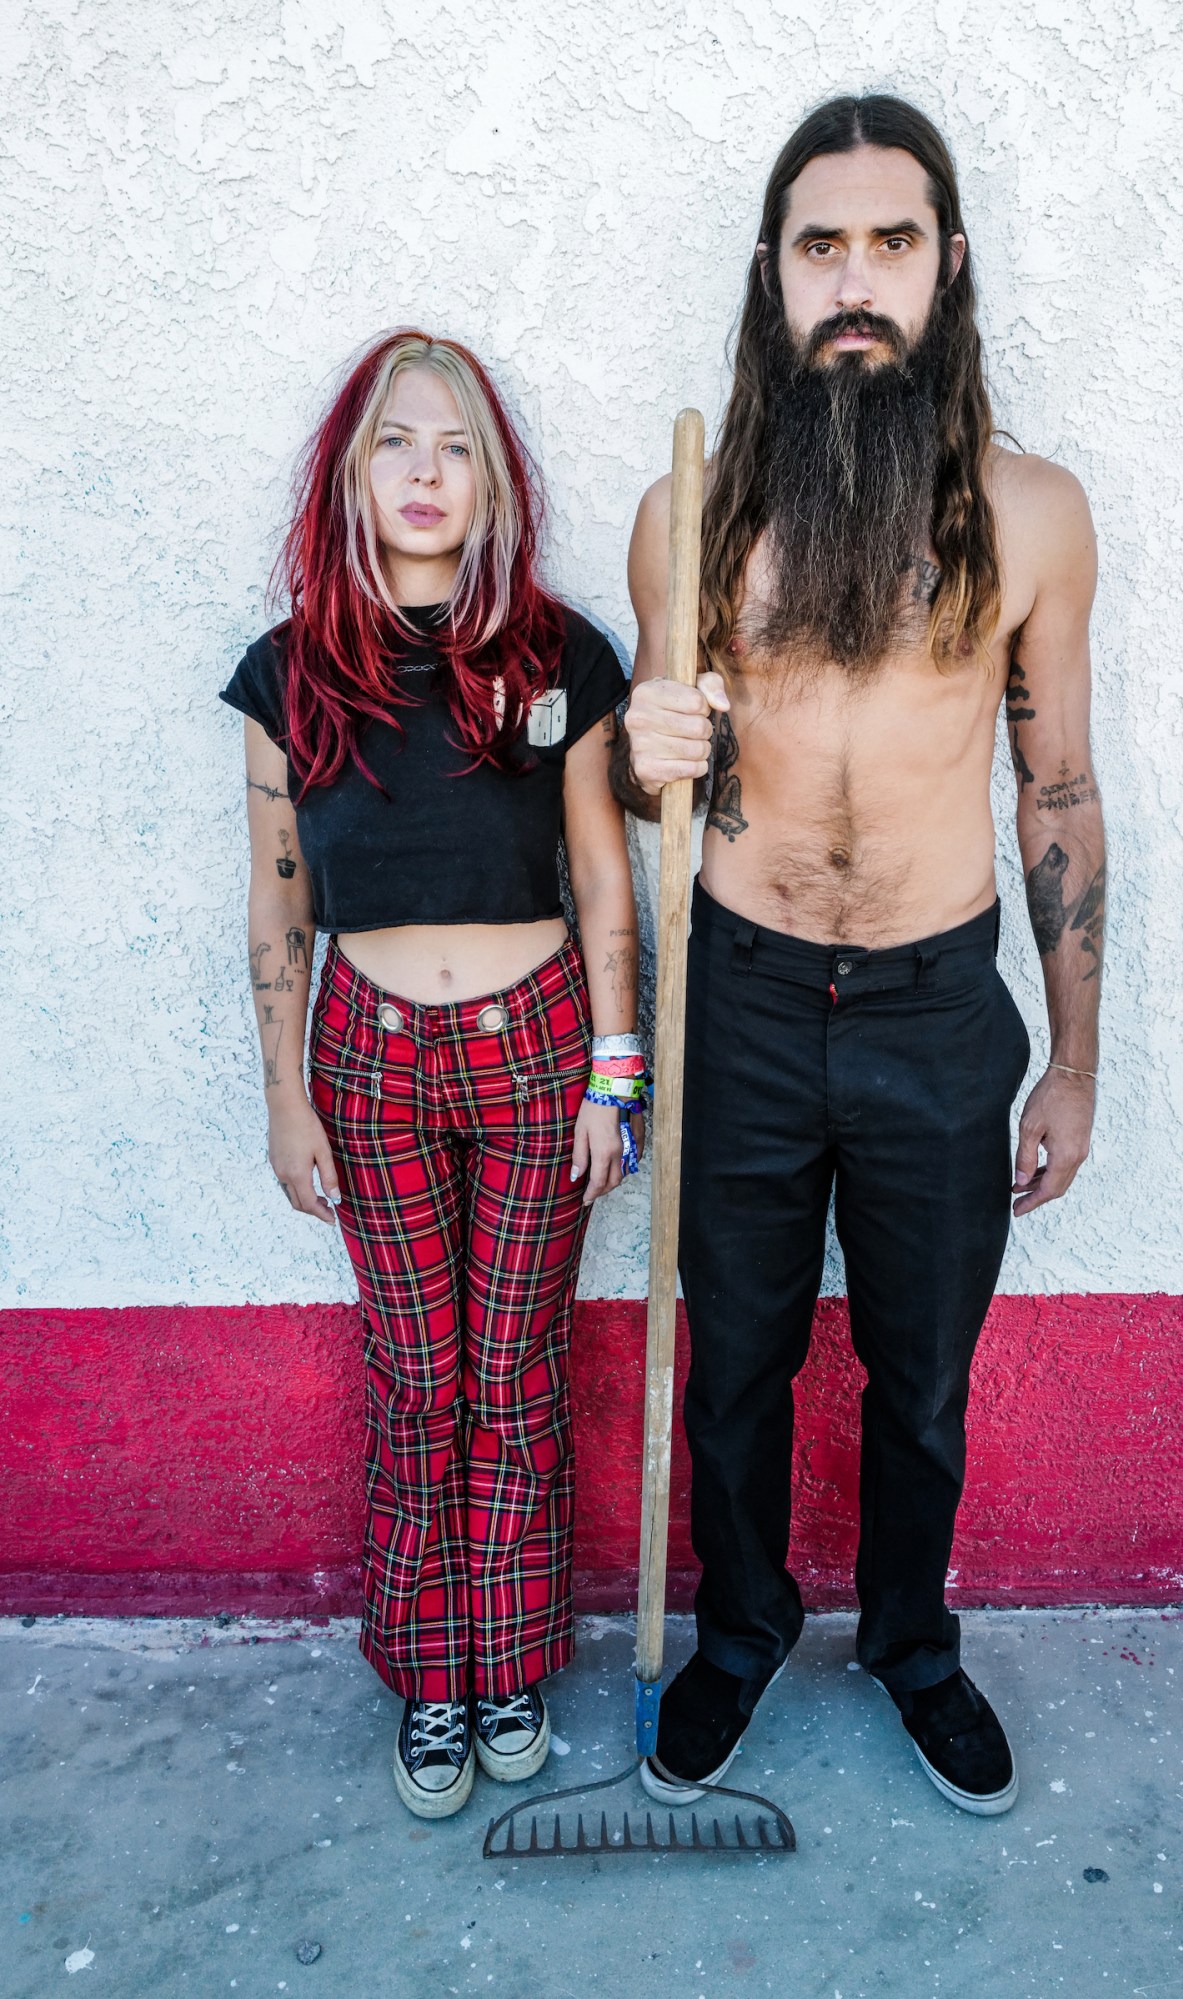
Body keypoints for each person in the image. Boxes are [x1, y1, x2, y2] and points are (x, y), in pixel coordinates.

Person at [613, 95, 1105, 1817]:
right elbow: (640, 782)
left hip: (932, 1009)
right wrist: (636, 744)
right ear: (772, 275)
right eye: (820, 245)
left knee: (920, 1372)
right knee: (733, 1363)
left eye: (891, 243)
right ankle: (738, 1633)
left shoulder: (1030, 515)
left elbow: (1053, 785)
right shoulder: (685, 518)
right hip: (741, 1002)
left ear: (945, 269)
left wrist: (1074, 1056)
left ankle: (913, 1641)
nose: (855, 281)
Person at [221, 331, 643, 1820]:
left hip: (537, 1053)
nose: (423, 470)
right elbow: (278, 896)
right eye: (395, 441)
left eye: (454, 445)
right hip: (368, 1060)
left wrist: (616, 1075)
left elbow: (605, 875)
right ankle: (433, 1675)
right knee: (417, 1380)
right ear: (350, 470)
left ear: (494, 480)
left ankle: (511, 1655)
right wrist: (284, 1094)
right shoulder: (288, 675)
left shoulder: (555, 655)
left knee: (515, 1379)